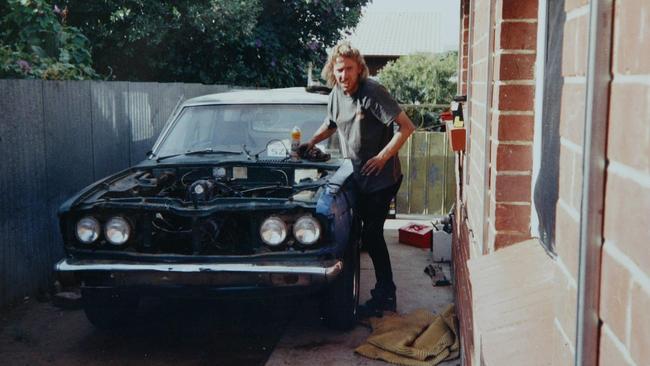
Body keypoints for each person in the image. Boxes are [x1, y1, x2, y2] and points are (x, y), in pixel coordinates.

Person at [302, 41, 416, 317]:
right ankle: (374, 289)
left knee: (372, 235)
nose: (344, 76)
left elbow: (406, 126)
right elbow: (331, 123)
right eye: (339, 70)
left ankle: (386, 295)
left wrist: (383, 156)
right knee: (364, 234)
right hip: (359, 176)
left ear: (359, 69)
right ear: (333, 71)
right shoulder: (336, 95)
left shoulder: (373, 92)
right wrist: (311, 142)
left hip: (382, 178)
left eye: (349, 69)